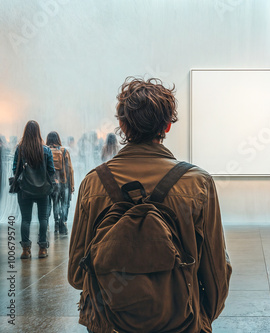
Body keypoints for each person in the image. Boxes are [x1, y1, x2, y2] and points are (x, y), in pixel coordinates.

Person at [68, 77, 231, 333]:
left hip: (109, 324)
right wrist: (198, 317)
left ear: (122, 124)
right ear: (167, 126)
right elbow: (216, 274)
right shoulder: (198, 183)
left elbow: (77, 274)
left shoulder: (93, 183)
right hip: (181, 323)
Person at [13, 120, 55, 259]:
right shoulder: (46, 150)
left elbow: (15, 169)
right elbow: (51, 171)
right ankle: (42, 249)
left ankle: (25, 250)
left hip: (25, 189)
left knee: (25, 219)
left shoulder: (20, 149)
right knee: (43, 218)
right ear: (38, 132)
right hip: (43, 189)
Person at [46, 131, 75, 235]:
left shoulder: (45, 151)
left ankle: (53, 223)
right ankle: (62, 222)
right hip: (63, 182)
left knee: (52, 203)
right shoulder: (64, 151)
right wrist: (71, 186)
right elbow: (70, 169)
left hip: (50, 183)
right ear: (58, 139)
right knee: (64, 203)